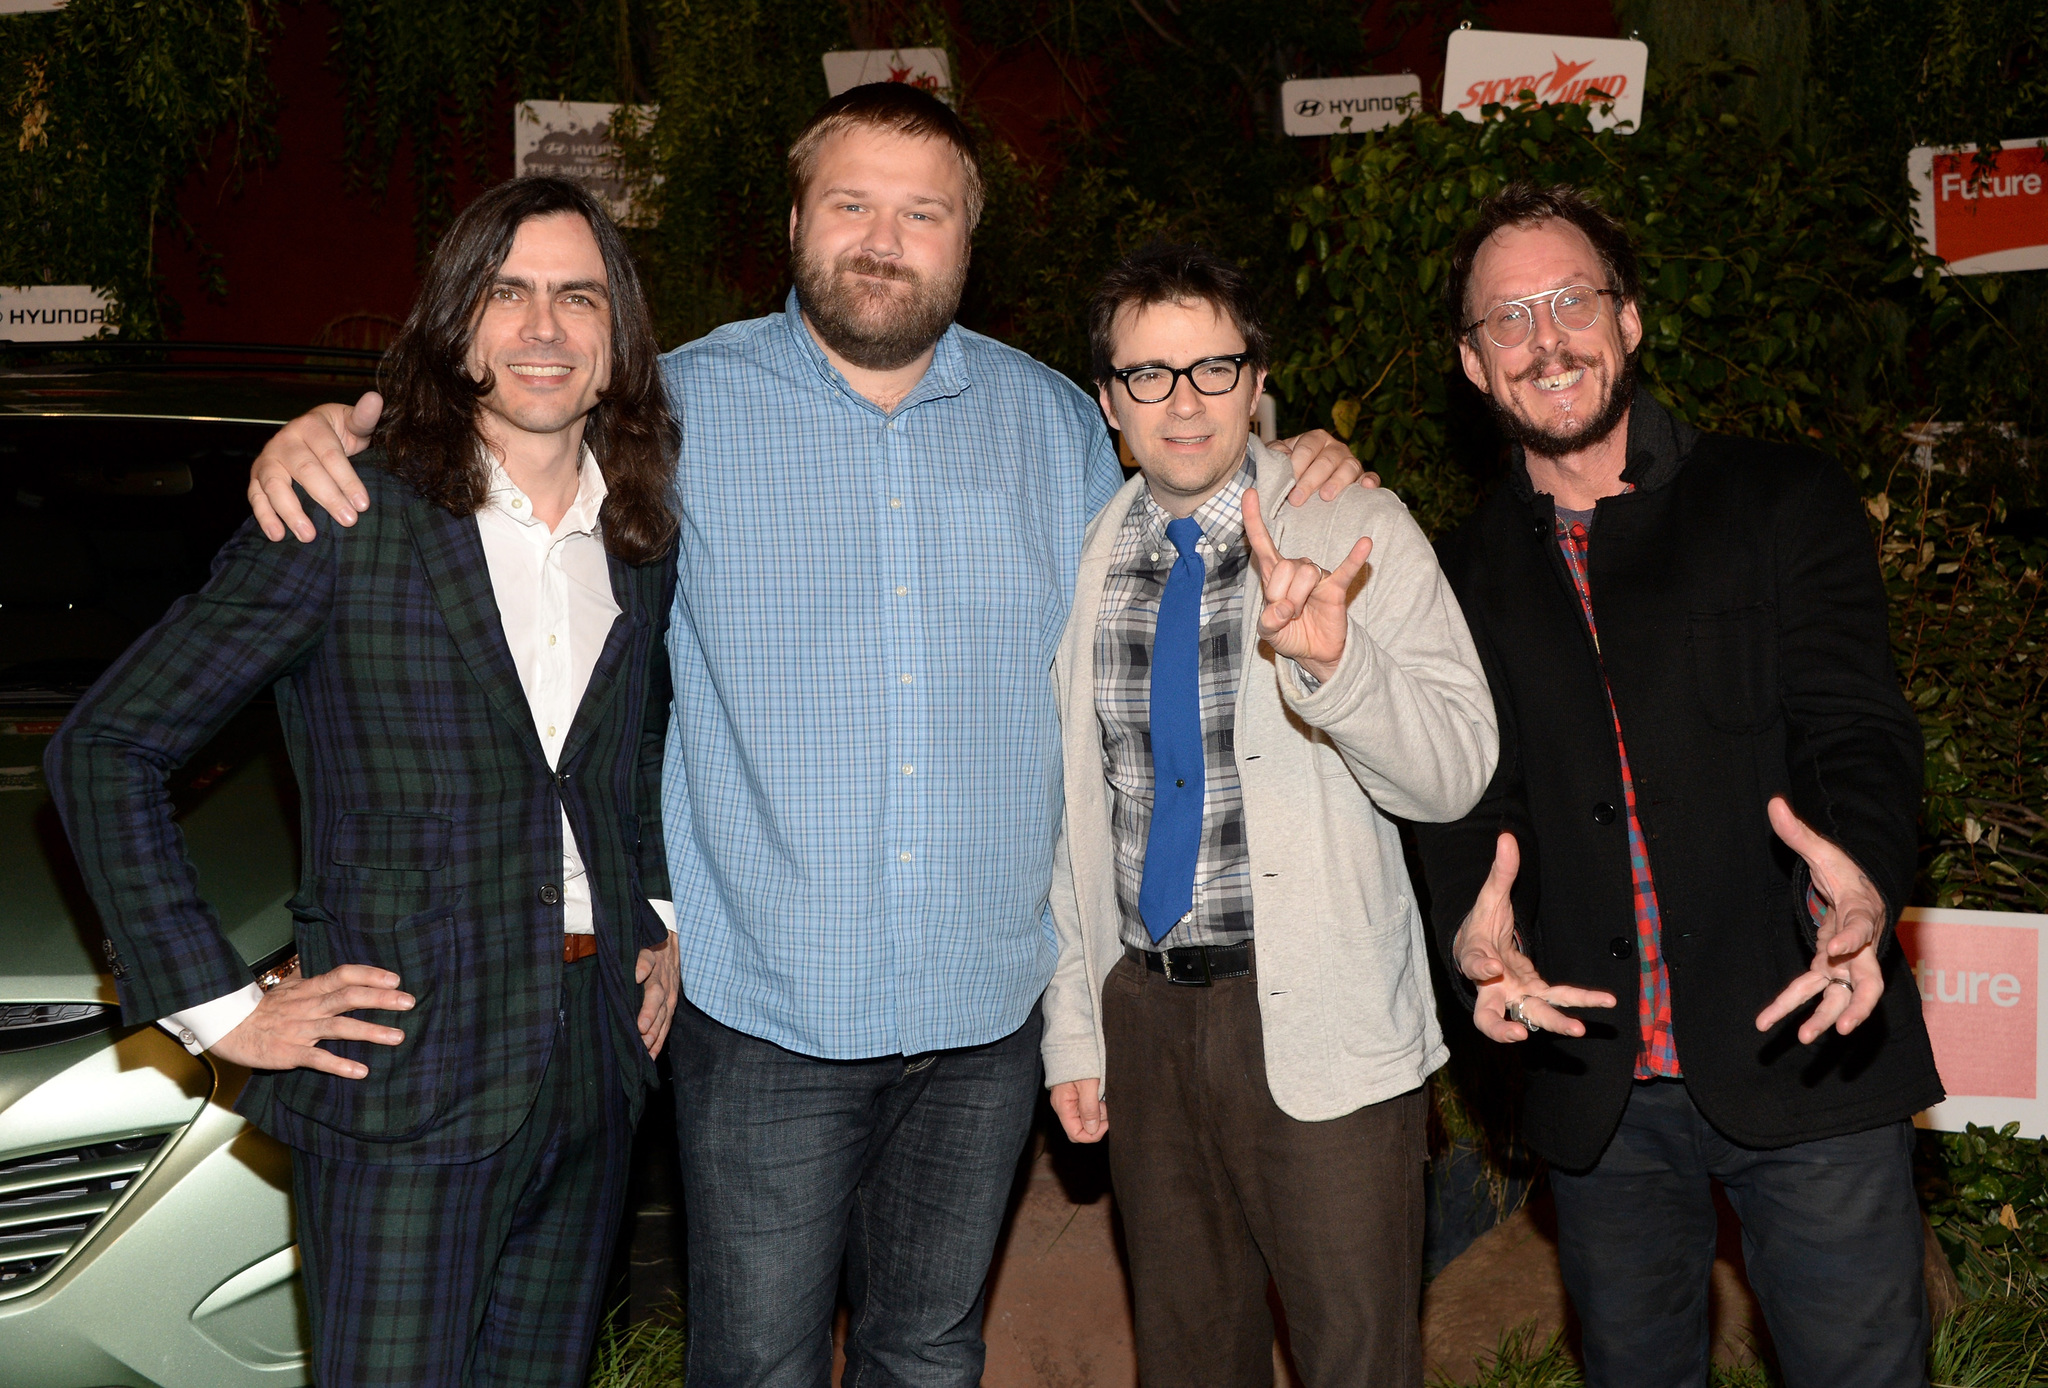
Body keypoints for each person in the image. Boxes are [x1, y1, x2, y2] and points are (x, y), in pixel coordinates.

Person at [237, 84, 1370, 1388]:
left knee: (929, 1347)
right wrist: (332, 433)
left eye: (923, 213)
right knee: (757, 1363)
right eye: (853, 205)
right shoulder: (667, 412)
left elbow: (1201, 542)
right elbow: (492, 449)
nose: (885, 239)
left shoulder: (1058, 425)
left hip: (986, 1008)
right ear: (795, 223)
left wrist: (1304, 461)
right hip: (758, 1006)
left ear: (966, 243)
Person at [46, 175, 683, 1388]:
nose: (542, 327)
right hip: (403, 1076)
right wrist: (218, 1009)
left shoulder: (640, 534)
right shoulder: (349, 510)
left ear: (615, 347)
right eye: (508, 293)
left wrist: (655, 909)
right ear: (457, 325)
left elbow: (633, 743)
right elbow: (106, 745)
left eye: (577, 297)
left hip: (594, 1068)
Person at [1412, 181, 1943, 1388]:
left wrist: (1858, 875)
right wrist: (1469, 925)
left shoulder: (1778, 498)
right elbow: (1461, 790)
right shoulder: (1452, 572)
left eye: (1571, 300)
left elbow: (1855, 726)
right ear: (1472, 362)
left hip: (1807, 1034)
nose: (1546, 337)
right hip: (1599, 1087)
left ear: (1629, 318)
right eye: (1508, 317)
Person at [1040, 244, 1495, 1385]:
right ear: (1106, 398)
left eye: (1211, 368)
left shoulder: (1355, 528)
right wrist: (1076, 1026)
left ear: (1257, 382)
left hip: (1320, 1016)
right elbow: (1075, 812)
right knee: (1190, 1360)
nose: (1182, 402)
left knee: (1357, 1357)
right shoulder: (1089, 557)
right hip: (1144, 1017)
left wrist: (1337, 666)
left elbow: (1453, 770)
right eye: (1147, 374)